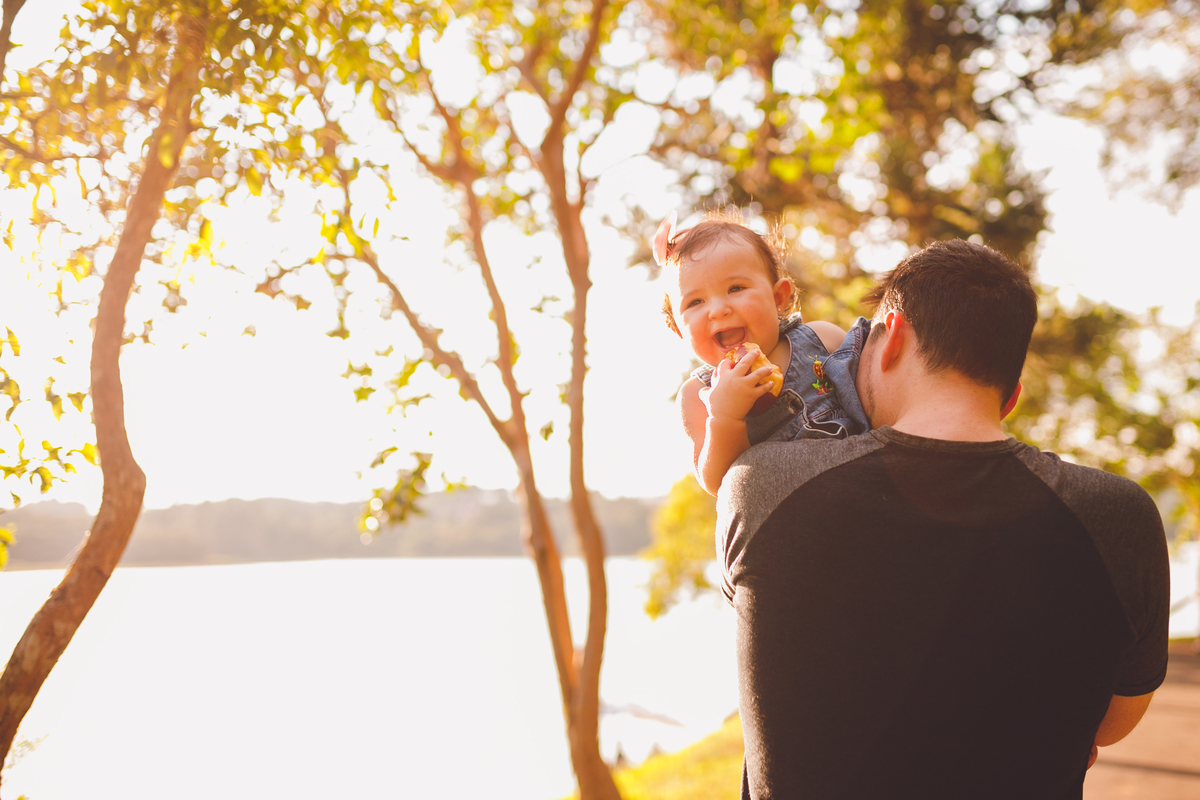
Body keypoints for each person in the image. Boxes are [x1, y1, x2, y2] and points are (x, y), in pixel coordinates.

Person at [717, 238, 1170, 799]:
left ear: (893, 337)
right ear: (1011, 396)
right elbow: (1111, 723)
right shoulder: (1119, 516)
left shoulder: (760, 485)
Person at [657, 209, 873, 496]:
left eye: (735, 288)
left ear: (778, 299)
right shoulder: (698, 395)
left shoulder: (821, 339)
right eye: (695, 301)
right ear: (678, 330)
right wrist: (725, 417)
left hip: (866, 484)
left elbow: (878, 397)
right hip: (791, 515)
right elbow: (719, 484)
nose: (718, 309)